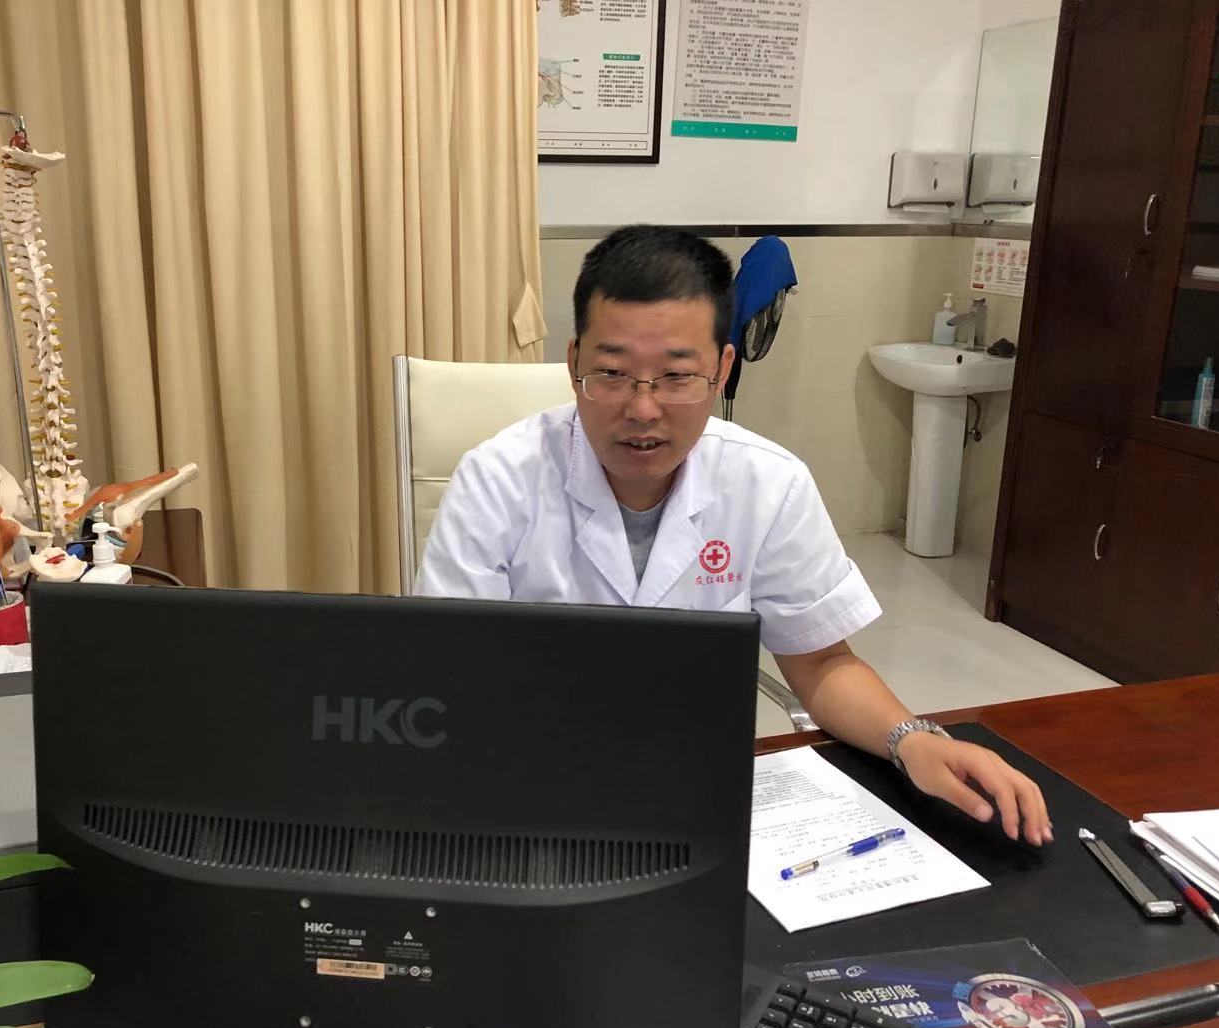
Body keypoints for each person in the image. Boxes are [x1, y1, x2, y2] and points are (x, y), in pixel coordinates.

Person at [416, 225, 1052, 845]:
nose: (642, 408)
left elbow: (822, 662)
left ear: (722, 368)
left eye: (676, 376)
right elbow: (451, 674)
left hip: (699, 786)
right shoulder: (497, 478)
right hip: (535, 782)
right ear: (573, 361)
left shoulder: (767, 482)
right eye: (611, 373)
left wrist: (911, 739)